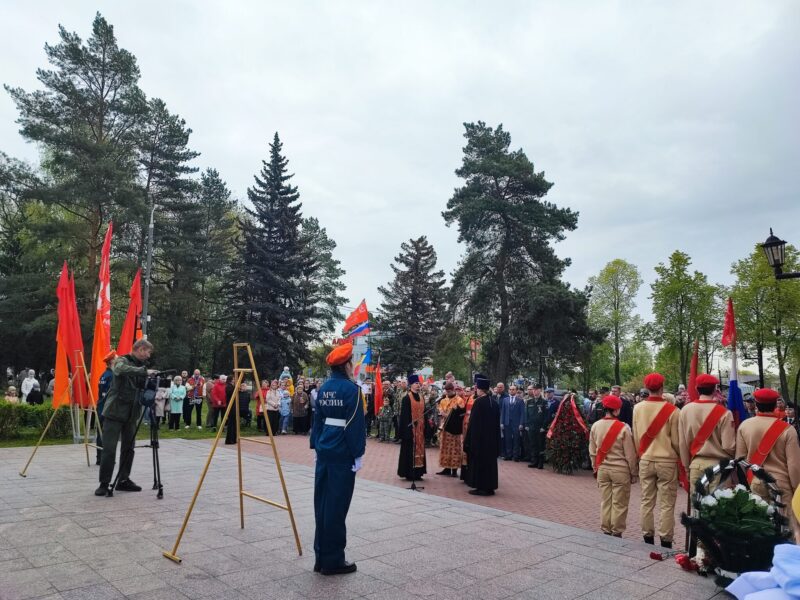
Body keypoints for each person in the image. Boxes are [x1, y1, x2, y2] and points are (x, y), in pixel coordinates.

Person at [310, 342, 365, 576]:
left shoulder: (324, 388)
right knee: (336, 506)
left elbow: (317, 420)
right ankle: (333, 560)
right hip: (342, 451)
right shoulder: (352, 390)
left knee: (322, 504)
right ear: (346, 365)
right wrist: (358, 453)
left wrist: (316, 444)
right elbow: (354, 425)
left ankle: (320, 556)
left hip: (324, 449)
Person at [95, 339, 154, 496]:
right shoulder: (122, 360)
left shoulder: (141, 366)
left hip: (131, 414)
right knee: (109, 449)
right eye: (148, 352)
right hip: (114, 412)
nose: (148, 356)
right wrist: (143, 372)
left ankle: (123, 480)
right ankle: (104, 483)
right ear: (141, 349)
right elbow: (119, 369)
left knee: (129, 449)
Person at [632, 372, 681, 548]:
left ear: (646, 388)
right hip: (667, 461)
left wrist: (640, 455)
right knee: (667, 504)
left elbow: (636, 436)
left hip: (646, 458)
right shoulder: (673, 411)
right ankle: (666, 540)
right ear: (662, 388)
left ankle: (647, 538)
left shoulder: (637, 408)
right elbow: (676, 441)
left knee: (646, 501)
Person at [736, 387, 800, 511]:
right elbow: (794, 465)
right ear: (775, 405)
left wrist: (751, 478)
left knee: (761, 520)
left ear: (756, 404)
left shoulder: (744, 425)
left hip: (756, 480)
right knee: (786, 521)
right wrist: (796, 488)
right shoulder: (788, 429)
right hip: (781, 483)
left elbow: (740, 459)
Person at [589, 394, 638, 537]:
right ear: (616, 410)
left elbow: (592, 451)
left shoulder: (596, 426)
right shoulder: (623, 428)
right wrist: (633, 472)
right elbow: (630, 454)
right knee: (619, 503)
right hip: (620, 470)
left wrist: (595, 467)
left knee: (606, 501)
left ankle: (606, 528)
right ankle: (616, 531)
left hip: (603, 468)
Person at [678, 373, 735, 492]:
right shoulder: (725, 413)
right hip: (719, 466)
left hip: (696, 464)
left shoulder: (685, 410)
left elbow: (682, 443)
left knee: (697, 503)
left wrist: (686, 467)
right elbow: (728, 446)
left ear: (697, 389)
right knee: (719, 502)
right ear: (715, 390)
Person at [463, 373, 501, 496]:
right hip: (492, 440)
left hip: (480, 440)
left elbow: (473, 423)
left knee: (480, 464)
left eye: (477, 388)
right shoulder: (494, 403)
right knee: (490, 464)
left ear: (480, 389)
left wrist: (469, 440)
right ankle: (490, 487)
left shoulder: (478, 402)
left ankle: (481, 488)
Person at [397, 375, 427, 480]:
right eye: (416, 383)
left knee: (420, 450)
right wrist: (406, 431)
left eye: (419, 383)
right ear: (411, 385)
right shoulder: (406, 398)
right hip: (410, 429)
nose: (418, 385)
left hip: (420, 429)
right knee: (409, 451)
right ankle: (409, 473)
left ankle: (418, 472)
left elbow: (424, 413)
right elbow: (404, 416)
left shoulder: (421, 397)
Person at [436, 383, 466, 476]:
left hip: (454, 428)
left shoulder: (459, 400)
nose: (448, 393)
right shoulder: (443, 400)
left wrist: (450, 414)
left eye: (449, 391)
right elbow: (440, 409)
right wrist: (441, 412)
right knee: (445, 448)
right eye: (446, 391)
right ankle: (447, 468)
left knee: (455, 449)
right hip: (445, 426)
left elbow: (461, 414)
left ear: (453, 390)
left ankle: (454, 470)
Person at [95, 351, 116, 465]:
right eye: (116, 359)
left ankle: (99, 458)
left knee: (101, 433)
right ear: (112, 361)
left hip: (101, 406)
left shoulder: (104, 374)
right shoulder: (112, 376)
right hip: (108, 408)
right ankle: (106, 459)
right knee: (109, 434)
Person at [525, 384, 549, 469]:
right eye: (533, 390)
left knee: (540, 445)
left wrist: (544, 427)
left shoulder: (544, 402)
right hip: (531, 427)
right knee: (533, 444)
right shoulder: (529, 402)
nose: (534, 391)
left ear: (540, 390)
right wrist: (527, 425)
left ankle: (540, 462)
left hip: (540, 427)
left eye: (536, 390)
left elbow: (546, 416)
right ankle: (534, 461)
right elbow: (526, 415)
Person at [500, 384, 525, 461]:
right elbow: (503, 412)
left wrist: (521, 423)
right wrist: (501, 422)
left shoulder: (520, 400)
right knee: (508, 439)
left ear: (516, 391)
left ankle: (515, 456)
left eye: (513, 389)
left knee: (516, 440)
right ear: (508, 390)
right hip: (507, 423)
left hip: (516, 423)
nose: (511, 391)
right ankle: (508, 455)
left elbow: (522, 413)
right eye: (510, 389)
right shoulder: (505, 400)